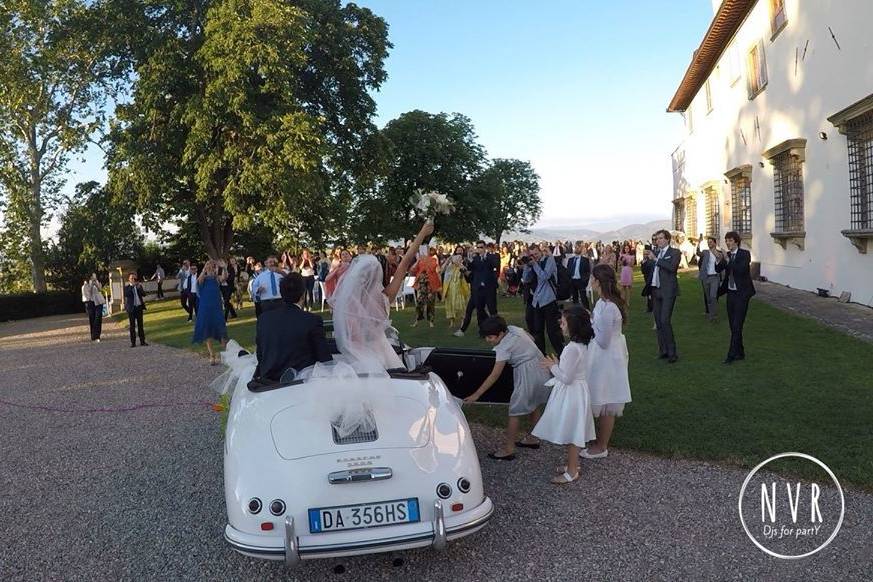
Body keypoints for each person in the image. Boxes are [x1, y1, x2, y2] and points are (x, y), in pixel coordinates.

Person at [329, 221, 434, 372]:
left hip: (360, 363)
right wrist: (422, 233)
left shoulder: (348, 306)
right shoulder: (385, 297)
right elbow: (404, 264)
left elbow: (351, 342)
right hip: (384, 357)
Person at [463, 316, 551, 460]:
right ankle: (534, 438)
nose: (488, 340)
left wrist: (477, 394)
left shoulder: (503, 348)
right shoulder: (513, 328)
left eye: (490, 337)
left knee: (515, 411)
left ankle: (509, 449)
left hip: (527, 372)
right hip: (541, 365)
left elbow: (495, 374)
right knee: (533, 403)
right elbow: (531, 338)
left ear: (501, 334)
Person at [531, 305, 596, 484]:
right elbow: (572, 370)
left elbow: (566, 378)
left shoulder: (572, 348)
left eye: (564, 322)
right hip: (578, 390)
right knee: (571, 428)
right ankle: (571, 464)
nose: (561, 325)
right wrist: (559, 364)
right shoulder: (582, 345)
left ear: (573, 325)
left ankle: (573, 470)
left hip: (571, 393)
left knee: (573, 431)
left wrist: (552, 366)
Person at [583, 264, 631, 459]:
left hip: (608, 356)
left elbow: (603, 341)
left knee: (607, 397)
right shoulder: (602, 303)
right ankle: (599, 440)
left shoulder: (609, 307)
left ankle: (602, 446)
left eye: (592, 279)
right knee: (602, 395)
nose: (590, 282)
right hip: (605, 353)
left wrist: (591, 322)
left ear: (598, 281)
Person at [253, 273, 332, 383]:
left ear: (281, 293)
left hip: (268, 381)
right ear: (303, 295)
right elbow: (324, 358)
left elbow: (260, 355)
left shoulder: (264, 319)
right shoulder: (312, 320)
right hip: (302, 383)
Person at [717, 231, 756, 364]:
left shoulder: (744, 254)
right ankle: (740, 352)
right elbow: (718, 269)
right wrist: (719, 258)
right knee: (733, 326)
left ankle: (731, 355)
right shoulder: (727, 255)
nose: (728, 243)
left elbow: (741, 270)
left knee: (737, 325)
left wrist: (728, 260)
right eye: (726, 240)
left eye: (730, 241)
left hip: (742, 294)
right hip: (731, 293)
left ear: (736, 242)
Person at [522, 244, 564, 356]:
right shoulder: (532, 263)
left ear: (541, 252)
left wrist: (535, 265)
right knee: (538, 331)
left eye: (536, 254)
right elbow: (525, 279)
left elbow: (544, 276)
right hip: (536, 301)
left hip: (548, 300)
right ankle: (541, 356)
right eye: (532, 255)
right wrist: (527, 265)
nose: (534, 256)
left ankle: (562, 356)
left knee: (552, 332)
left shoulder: (549, 260)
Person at [646, 229, 680, 363]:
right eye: (657, 239)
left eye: (660, 238)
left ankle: (672, 353)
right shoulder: (655, 253)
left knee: (665, 320)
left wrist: (656, 260)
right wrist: (647, 262)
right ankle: (663, 350)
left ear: (667, 239)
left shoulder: (674, 253)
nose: (658, 241)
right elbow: (650, 269)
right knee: (659, 322)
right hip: (656, 290)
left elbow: (672, 268)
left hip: (668, 291)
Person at [454, 241, 499, 337]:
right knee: (479, 310)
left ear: (485, 247)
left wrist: (484, 257)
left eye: (481, 247)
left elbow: (494, 266)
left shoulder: (492, 257)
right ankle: (482, 331)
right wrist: (465, 263)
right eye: (478, 247)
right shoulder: (475, 259)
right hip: (477, 289)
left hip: (489, 289)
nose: (479, 249)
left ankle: (498, 329)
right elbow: (470, 270)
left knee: (492, 310)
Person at [192, 260, 228, 365]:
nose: (210, 268)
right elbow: (199, 281)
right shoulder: (203, 278)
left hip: (216, 306)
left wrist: (224, 267)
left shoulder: (216, 278)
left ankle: (227, 353)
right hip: (205, 307)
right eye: (209, 266)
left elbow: (224, 277)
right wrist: (204, 270)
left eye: (212, 266)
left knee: (220, 327)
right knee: (207, 329)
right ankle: (212, 355)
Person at [410, 247, 441, 328]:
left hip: (431, 284)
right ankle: (417, 320)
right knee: (419, 302)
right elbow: (412, 270)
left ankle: (431, 321)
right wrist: (417, 261)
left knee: (430, 302)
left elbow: (437, 270)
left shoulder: (434, 259)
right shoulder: (420, 260)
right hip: (422, 284)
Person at [696, 236, 722, 322]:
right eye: (708, 242)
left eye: (711, 242)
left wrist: (717, 255)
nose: (709, 243)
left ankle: (713, 315)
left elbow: (721, 262)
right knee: (708, 298)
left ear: (715, 243)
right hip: (705, 277)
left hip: (714, 277)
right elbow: (698, 253)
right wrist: (699, 243)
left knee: (713, 296)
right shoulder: (705, 252)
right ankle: (711, 314)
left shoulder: (719, 253)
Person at [442, 251, 470, 329]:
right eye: (456, 258)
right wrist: (447, 261)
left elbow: (466, 272)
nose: (457, 260)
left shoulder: (461, 267)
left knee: (461, 306)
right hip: (449, 289)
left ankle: (462, 321)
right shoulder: (449, 268)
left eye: (459, 259)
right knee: (450, 305)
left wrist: (460, 265)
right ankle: (452, 322)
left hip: (459, 289)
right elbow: (441, 270)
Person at [123, 273, 148, 348]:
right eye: (132, 278)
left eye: (135, 278)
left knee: (141, 325)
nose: (133, 280)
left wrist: (139, 287)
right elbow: (127, 294)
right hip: (131, 309)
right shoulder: (127, 287)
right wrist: (132, 286)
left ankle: (142, 341)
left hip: (139, 307)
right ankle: (133, 342)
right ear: (129, 279)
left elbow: (144, 294)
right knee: (132, 326)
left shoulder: (139, 286)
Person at [567, 242, 591, 309]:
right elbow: (568, 270)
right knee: (575, 298)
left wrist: (585, 281)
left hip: (581, 281)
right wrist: (569, 279)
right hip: (572, 281)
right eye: (575, 247)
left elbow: (588, 271)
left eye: (578, 247)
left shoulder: (585, 260)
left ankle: (587, 312)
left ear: (581, 249)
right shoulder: (570, 260)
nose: (576, 249)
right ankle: (576, 312)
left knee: (583, 298)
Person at [81, 274, 105, 342]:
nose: (94, 278)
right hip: (90, 303)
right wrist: (91, 286)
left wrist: (96, 285)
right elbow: (88, 295)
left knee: (98, 318)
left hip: (99, 302)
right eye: (92, 277)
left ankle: (98, 335)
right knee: (92, 319)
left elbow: (100, 290)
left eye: (94, 276)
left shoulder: (97, 282)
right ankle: (93, 335)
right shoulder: (85, 286)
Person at [619, 243, 635, 307]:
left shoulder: (632, 256)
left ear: (629, 249)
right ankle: (623, 300)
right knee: (623, 287)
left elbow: (632, 265)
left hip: (629, 270)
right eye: (625, 248)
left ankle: (627, 301)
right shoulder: (622, 255)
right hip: (623, 271)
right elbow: (620, 263)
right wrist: (622, 261)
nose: (626, 249)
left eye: (628, 248)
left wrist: (628, 262)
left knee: (628, 287)